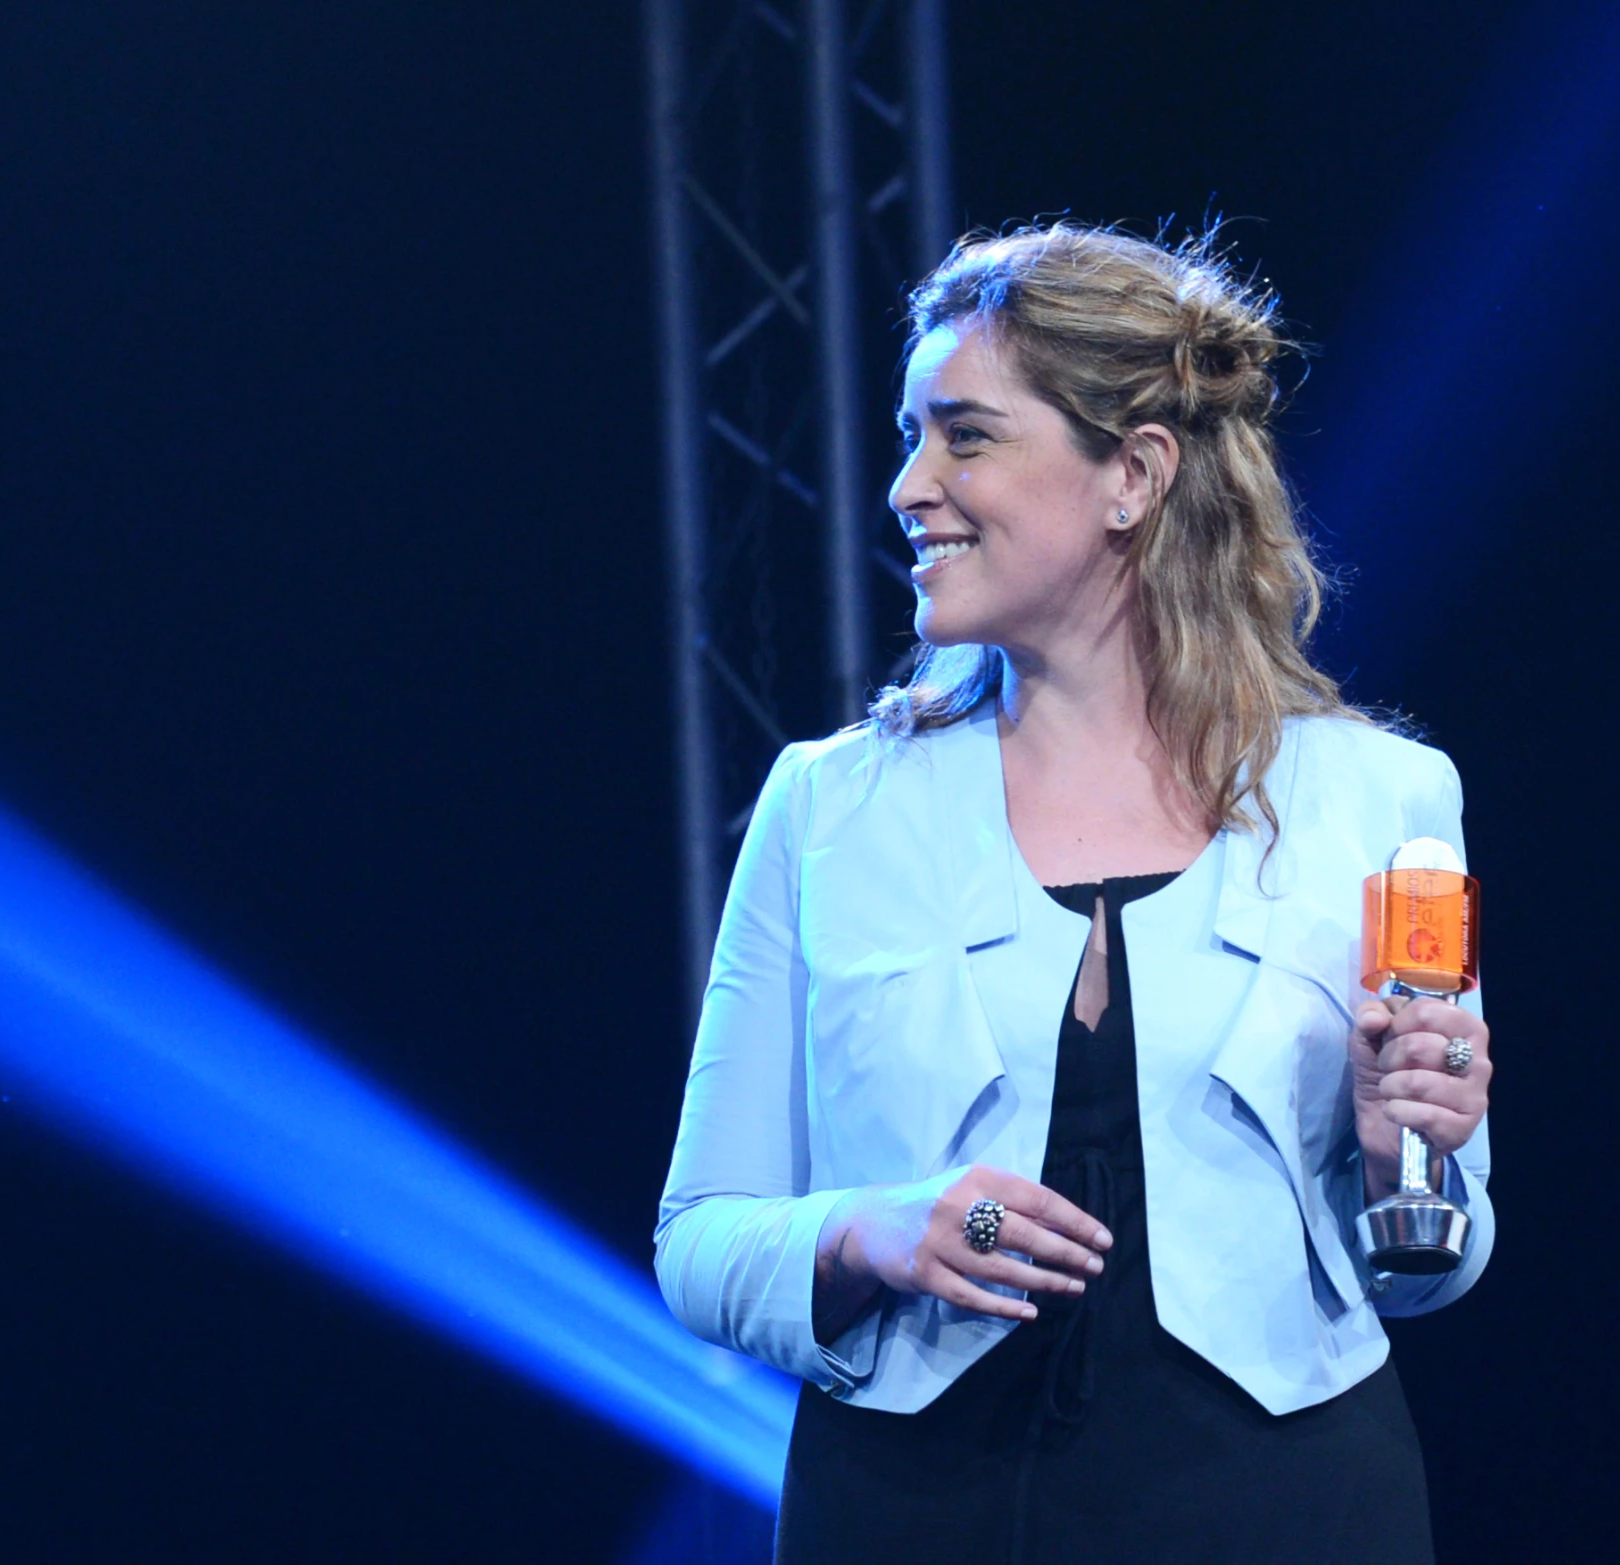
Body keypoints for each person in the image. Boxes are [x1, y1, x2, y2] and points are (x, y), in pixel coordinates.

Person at [653, 224, 1494, 1564]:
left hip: (1284, 1507)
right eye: (909, 435)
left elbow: (1433, 1256)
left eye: (965, 436)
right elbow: (698, 1240)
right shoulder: (829, 807)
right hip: (913, 1510)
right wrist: (870, 1227)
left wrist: (1412, 1153)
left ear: (1133, 475)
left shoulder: (1376, 799)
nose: (907, 486)